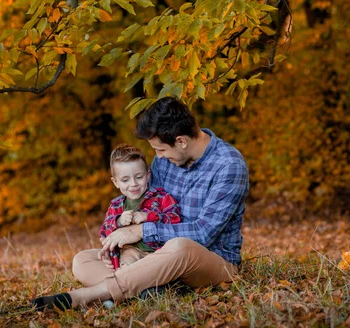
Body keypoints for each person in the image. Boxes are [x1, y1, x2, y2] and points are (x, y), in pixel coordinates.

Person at [31, 97, 249, 311]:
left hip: (212, 261)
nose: (158, 157)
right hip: (156, 256)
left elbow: (204, 233)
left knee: (180, 246)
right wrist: (118, 241)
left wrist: (142, 231)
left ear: (181, 141)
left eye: (161, 150)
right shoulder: (167, 161)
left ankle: (87, 296)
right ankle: (149, 288)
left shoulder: (228, 165)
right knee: (83, 260)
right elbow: (145, 205)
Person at [99, 144, 181, 270]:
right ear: (115, 182)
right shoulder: (116, 206)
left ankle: (140, 282)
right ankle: (127, 278)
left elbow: (175, 220)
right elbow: (104, 233)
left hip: (158, 251)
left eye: (139, 177)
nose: (133, 184)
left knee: (154, 267)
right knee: (126, 264)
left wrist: (149, 216)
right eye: (125, 180)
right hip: (130, 251)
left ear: (148, 175)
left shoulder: (162, 198)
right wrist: (119, 221)